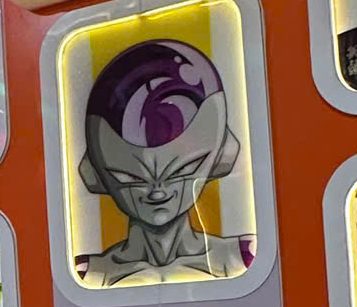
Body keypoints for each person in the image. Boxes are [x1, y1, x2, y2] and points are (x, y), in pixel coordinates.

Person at [75, 37, 253, 285]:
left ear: (224, 154)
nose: (157, 193)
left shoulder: (241, 259)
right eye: (130, 177)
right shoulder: (88, 274)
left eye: (183, 170)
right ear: (93, 174)